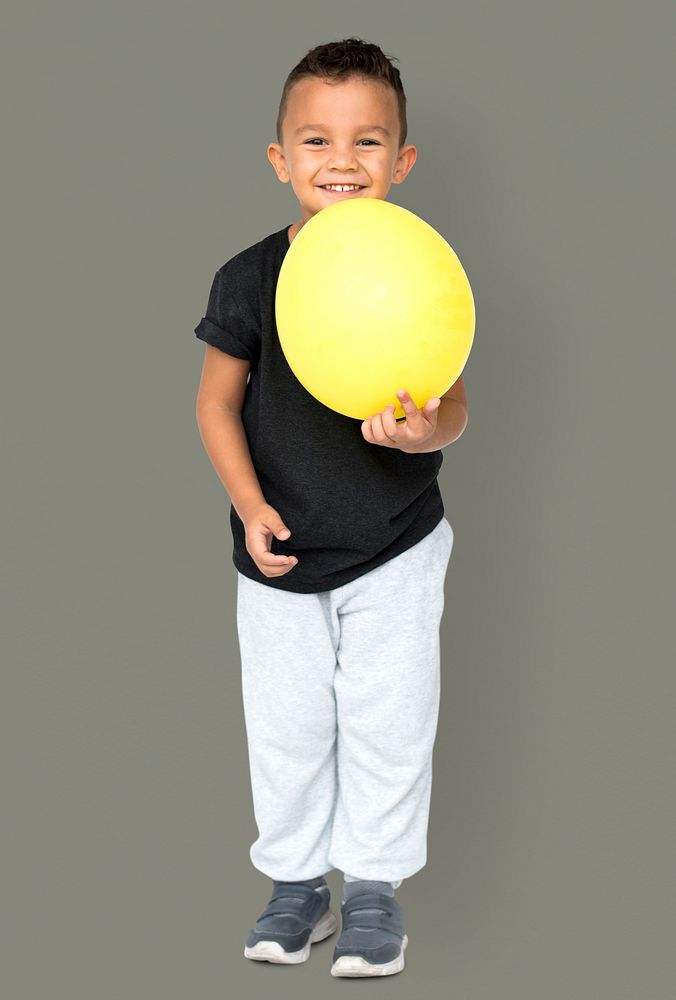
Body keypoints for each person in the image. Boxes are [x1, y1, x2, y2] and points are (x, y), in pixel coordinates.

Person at [193, 37, 469, 979]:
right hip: (278, 553)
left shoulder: (416, 270)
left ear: (402, 161)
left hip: (394, 549)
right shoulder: (246, 277)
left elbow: (454, 405)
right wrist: (248, 503)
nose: (341, 163)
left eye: (367, 142)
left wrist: (422, 435)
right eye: (316, 140)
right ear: (281, 159)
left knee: (390, 720)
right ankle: (297, 883)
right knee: (288, 725)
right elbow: (215, 402)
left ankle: (377, 890)